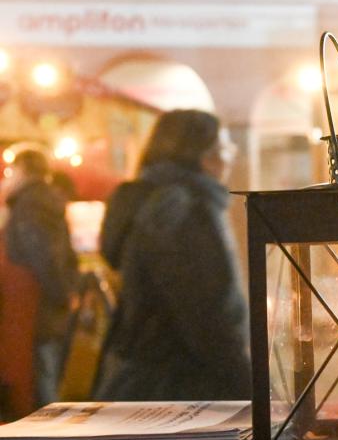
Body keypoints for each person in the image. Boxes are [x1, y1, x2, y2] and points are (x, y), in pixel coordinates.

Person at [94, 109, 251, 401]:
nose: (229, 159)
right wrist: (247, 383)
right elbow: (205, 310)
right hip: (184, 384)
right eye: (225, 149)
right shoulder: (184, 208)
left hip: (142, 377)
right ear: (204, 156)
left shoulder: (148, 200)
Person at [1, 148, 78, 411]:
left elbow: (43, 256)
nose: (7, 179)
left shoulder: (30, 205)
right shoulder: (41, 201)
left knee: (42, 381)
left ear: (23, 171)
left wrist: (60, 295)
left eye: (11, 172)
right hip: (42, 308)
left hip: (35, 309)